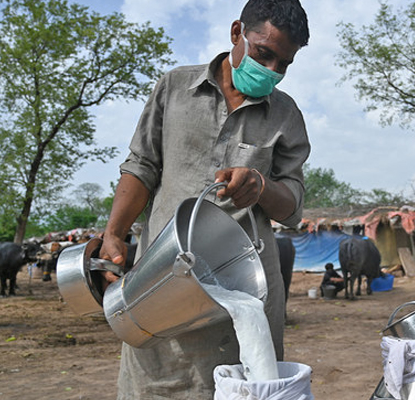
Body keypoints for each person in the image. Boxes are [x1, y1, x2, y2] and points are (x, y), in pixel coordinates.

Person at [97, 1, 311, 398]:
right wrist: (114, 233)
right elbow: (142, 165)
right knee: (155, 381)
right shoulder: (175, 87)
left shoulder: (286, 116)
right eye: (264, 54)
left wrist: (262, 187)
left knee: (242, 384)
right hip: (163, 278)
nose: (271, 71)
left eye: (284, 64)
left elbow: (294, 206)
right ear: (236, 33)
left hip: (244, 287)